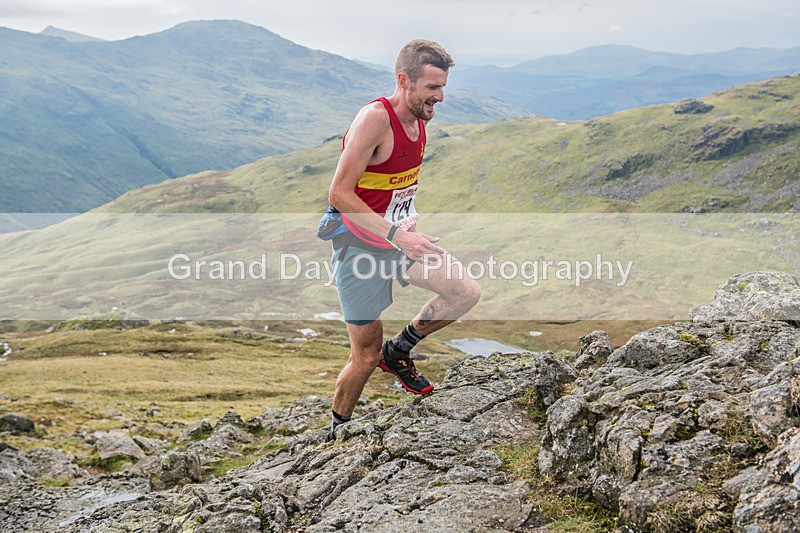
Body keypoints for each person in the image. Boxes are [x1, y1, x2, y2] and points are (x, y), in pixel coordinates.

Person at [326, 39, 480, 440]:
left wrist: (404, 233)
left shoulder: (420, 119)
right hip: (359, 246)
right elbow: (339, 194)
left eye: (443, 87)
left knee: (464, 292)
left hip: (400, 240)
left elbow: (391, 188)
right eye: (432, 88)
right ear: (403, 80)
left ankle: (401, 351)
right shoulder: (374, 120)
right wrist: (398, 235)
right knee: (364, 356)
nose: (440, 97)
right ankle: (336, 430)